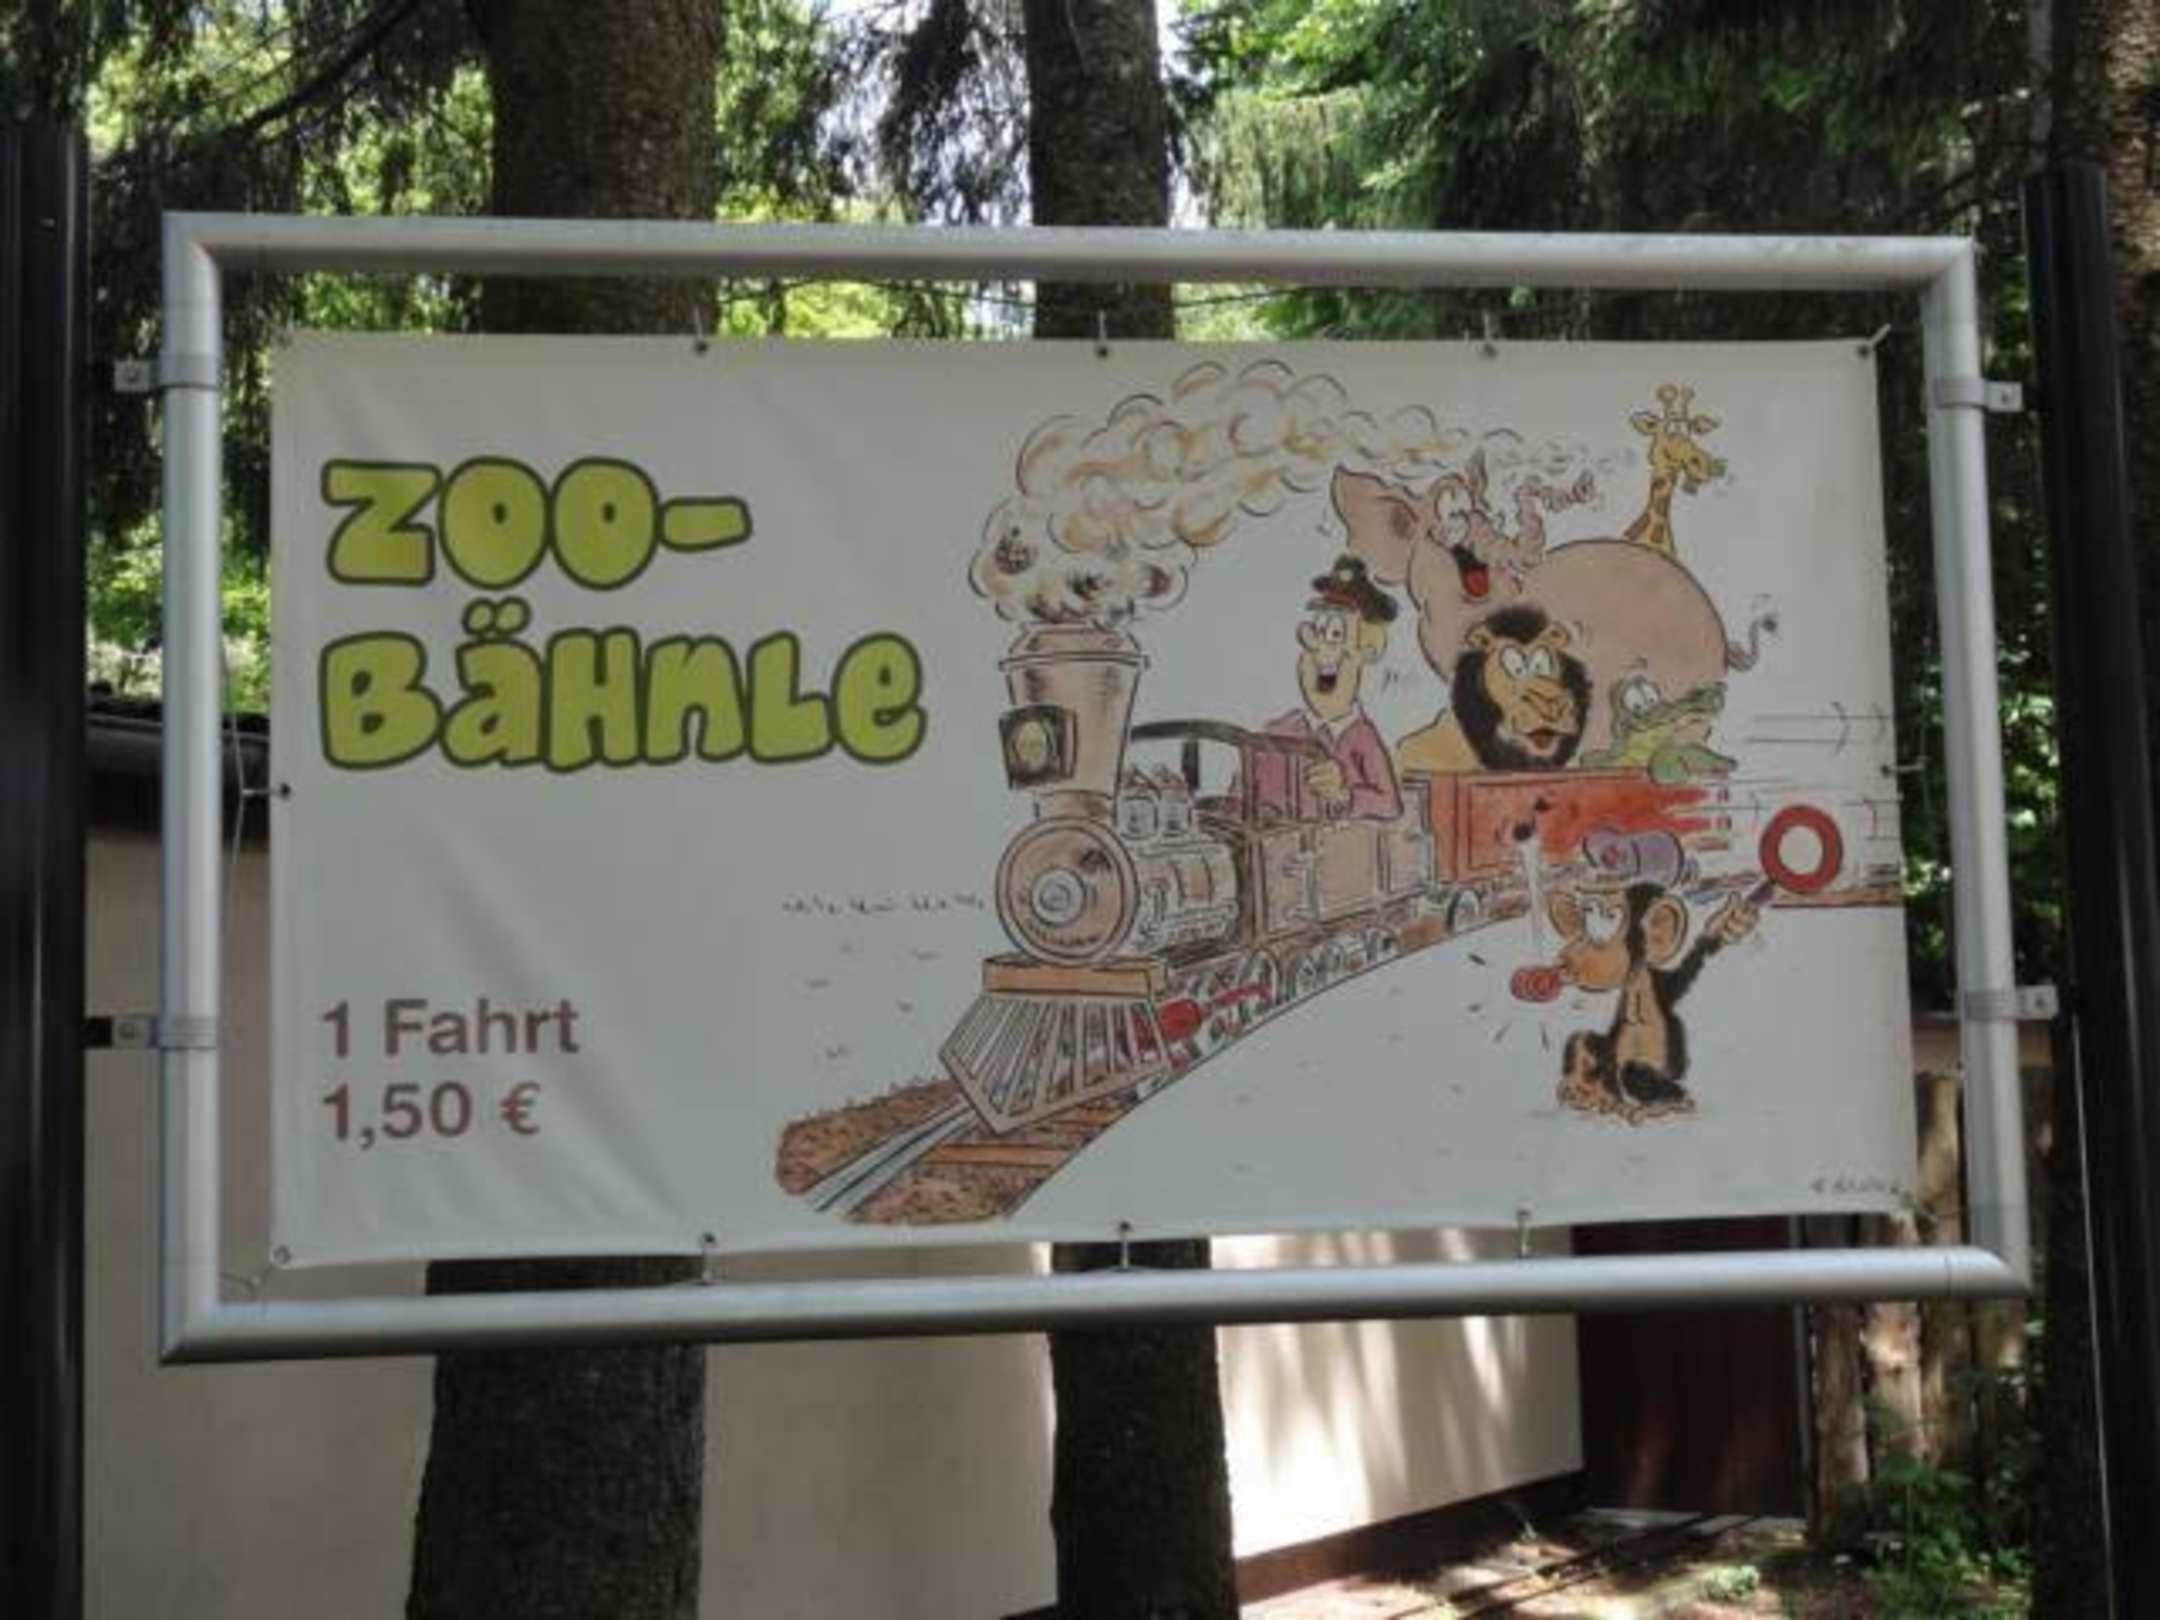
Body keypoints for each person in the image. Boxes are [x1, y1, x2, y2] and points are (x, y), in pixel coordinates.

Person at [1247, 555, 1404, 821]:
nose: (1321, 653)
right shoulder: (1280, 730)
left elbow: (1389, 805)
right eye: (1317, 634)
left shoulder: (1362, 738)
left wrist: (1344, 792)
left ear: (1363, 654)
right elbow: (1244, 793)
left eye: (1336, 636)